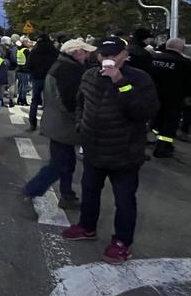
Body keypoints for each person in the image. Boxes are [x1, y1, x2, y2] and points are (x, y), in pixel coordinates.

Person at [62, 37, 159, 265]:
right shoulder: (89, 76)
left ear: (125, 56)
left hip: (124, 152)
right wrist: (80, 125)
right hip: (94, 149)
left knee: (124, 200)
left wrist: (120, 81)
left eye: (113, 55)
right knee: (90, 191)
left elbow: (144, 111)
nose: (108, 59)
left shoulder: (138, 78)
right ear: (98, 56)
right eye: (104, 55)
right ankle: (87, 226)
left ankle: (122, 242)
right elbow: (80, 103)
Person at [23, 39, 96, 208]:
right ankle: (31, 190)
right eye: (85, 51)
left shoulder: (61, 65)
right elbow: (68, 101)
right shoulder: (69, 70)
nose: (87, 54)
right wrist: (79, 120)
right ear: (76, 52)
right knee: (59, 164)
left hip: (56, 123)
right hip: (63, 126)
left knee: (66, 162)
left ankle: (67, 195)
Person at [148, 38, 191, 158]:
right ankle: (163, 146)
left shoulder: (154, 59)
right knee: (170, 123)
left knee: (156, 119)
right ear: (181, 48)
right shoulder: (185, 63)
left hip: (154, 96)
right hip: (174, 99)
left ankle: (156, 138)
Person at [25, 33, 59, 132]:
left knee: (34, 101)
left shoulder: (35, 51)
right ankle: (46, 126)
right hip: (50, 77)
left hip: (37, 78)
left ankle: (33, 123)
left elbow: (29, 65)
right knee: (49, 102)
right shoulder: (53, 51)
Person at [16, 38, 31, 106]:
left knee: (21, 85)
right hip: (25, 70)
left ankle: (19, 99)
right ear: (25, 43)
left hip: (19, 69)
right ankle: (23, 100)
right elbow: (29, 60)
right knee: (25, 85)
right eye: (28, 42)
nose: (30, 43)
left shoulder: (19, 50)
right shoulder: (26, 50)